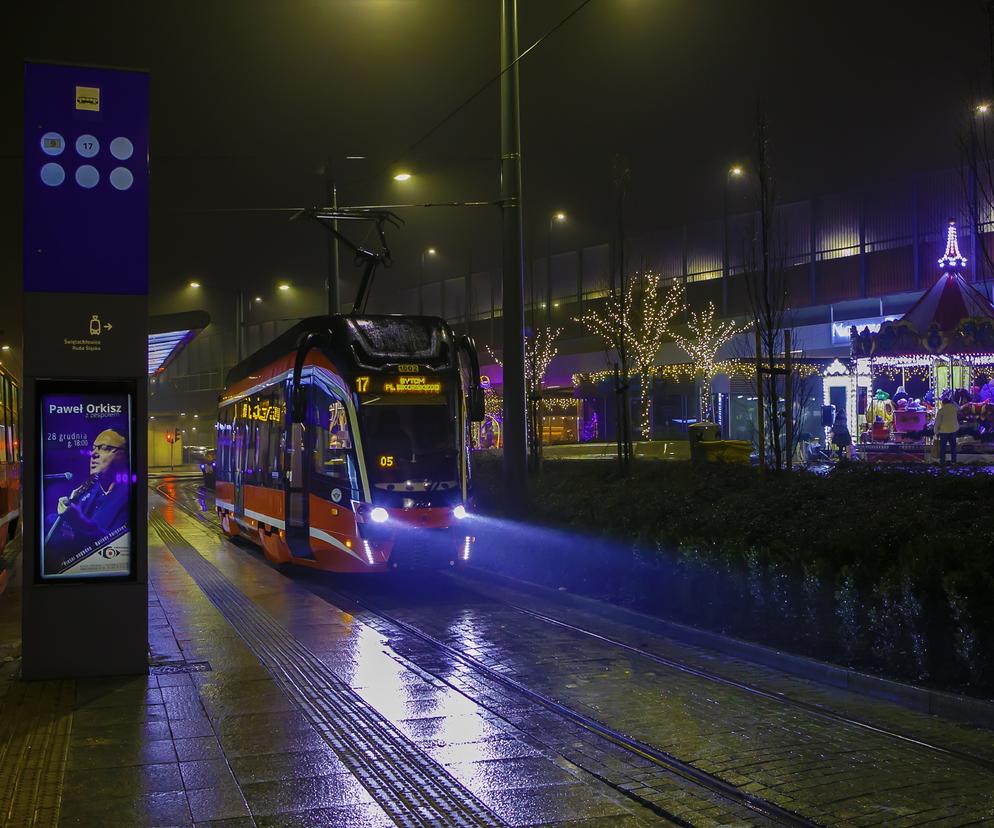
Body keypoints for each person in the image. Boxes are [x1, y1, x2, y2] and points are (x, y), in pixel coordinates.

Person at [45, 428, 130, 572]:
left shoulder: (129, 497)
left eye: (105, 448)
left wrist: (79, 521)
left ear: (126, 456)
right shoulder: (86, 490)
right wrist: (60, 523)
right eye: (94, 448)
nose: (94, 454)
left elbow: (117, 547)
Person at [935, 391, 960, 465]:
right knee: (953, 447)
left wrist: (936, 431)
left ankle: (942, 461)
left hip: (944, 431)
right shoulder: (954, 408)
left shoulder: (941, 410)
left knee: (943, 447)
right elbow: (959, 408)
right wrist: (954, 403)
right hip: (953, 429)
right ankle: (953, 461)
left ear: (943, 403)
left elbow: (937, 422)